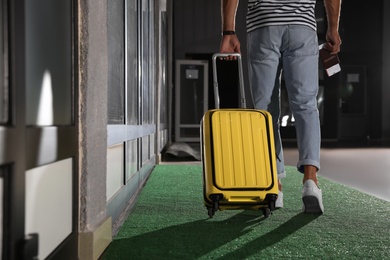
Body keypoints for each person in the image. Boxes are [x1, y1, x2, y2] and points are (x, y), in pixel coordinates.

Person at [219, 0, 342, 214]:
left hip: (263, 25)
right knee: (305, 105)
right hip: (302, 26)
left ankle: (272, 183)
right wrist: (333, 28)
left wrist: (228, 31)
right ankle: (310, 181)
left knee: (265, 111)